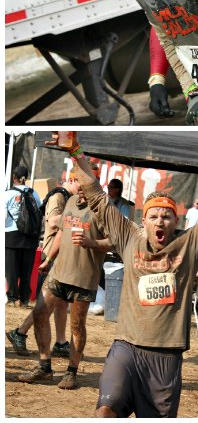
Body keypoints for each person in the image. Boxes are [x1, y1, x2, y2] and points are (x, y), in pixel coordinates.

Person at [41, 132, 198, 416]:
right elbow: (96, 195)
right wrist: (76, 151)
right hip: (126, 347)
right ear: (144, 221)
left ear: (176, 221)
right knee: (105, 411)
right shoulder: (128, 236)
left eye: (166, 216)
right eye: (154, 216)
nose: (160, 221)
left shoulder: (190, 244)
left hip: (166, 356)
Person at [18, 164, 113, 391]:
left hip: (84, 277)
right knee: (40, 312)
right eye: (75, 180)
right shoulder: (70, 202)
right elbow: (61, 232)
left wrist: (92, 243)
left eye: (82, 181)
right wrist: (49, 259)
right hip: (59, 271)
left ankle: (72, 372)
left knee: (77, 326)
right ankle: (44, 367)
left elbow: (114, 242)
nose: (77, 185)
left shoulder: (103, 208)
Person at [6, 175, 79, 357]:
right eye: (82, 183)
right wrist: (78, 216)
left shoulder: (67, 198)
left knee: (60, 301)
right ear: (72, 180)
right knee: (49, 301)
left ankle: (60, 342)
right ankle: (20, 332)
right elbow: (53, 221)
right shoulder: (58, 197)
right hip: (53, 254)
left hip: (61, 254)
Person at [4, 166, 42, 309]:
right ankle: (25, 299)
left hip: (12, 235)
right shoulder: (35, 193)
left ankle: (13, 298)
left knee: (12, 269)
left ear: (14, 177)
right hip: (30, 237)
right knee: (27, 270)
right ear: (25, 178)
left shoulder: (7, 194)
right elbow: (39, 213)